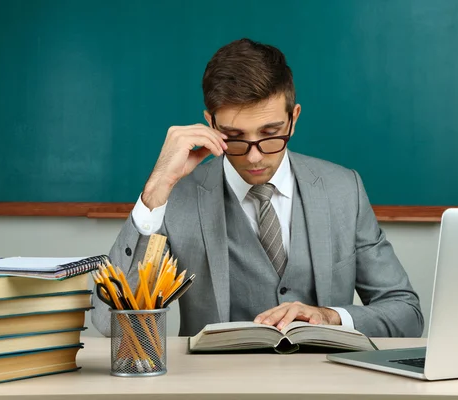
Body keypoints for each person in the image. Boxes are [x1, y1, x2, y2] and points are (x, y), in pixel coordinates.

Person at [91, 38, 424, 338]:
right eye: (235, 137)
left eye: (270, 133)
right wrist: (155, 191)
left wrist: (331, 317)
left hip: (324, 383)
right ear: (211, 124)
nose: (253, 157)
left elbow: (406, 314)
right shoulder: (175, 199)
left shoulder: (343, 190)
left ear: (293, 118)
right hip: (213, 387)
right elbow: (109, 321)